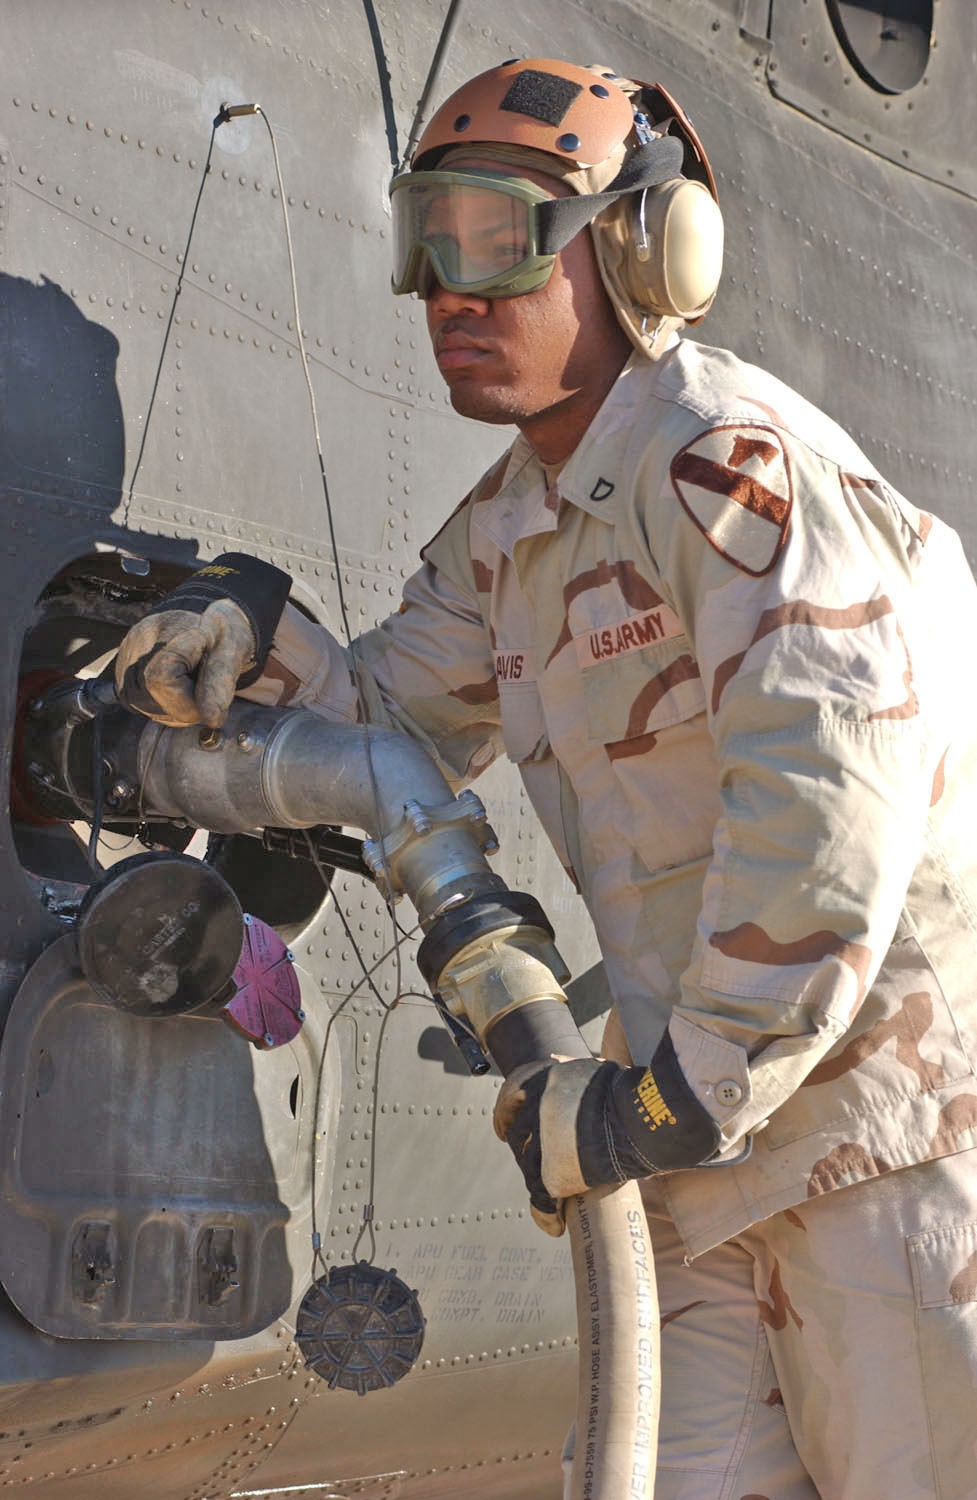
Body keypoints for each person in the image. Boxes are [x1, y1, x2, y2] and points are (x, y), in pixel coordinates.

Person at [114, 58, 977, 1499]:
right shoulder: (513, 529)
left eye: (502, 241)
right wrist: (252, 637)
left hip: (875, 1145)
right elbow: (390, 719)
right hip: (692, 1156)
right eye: (426, 242)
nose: (452, 291)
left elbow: (826, 802)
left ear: (642, 252)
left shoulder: (726, 471)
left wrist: (671, 1101)